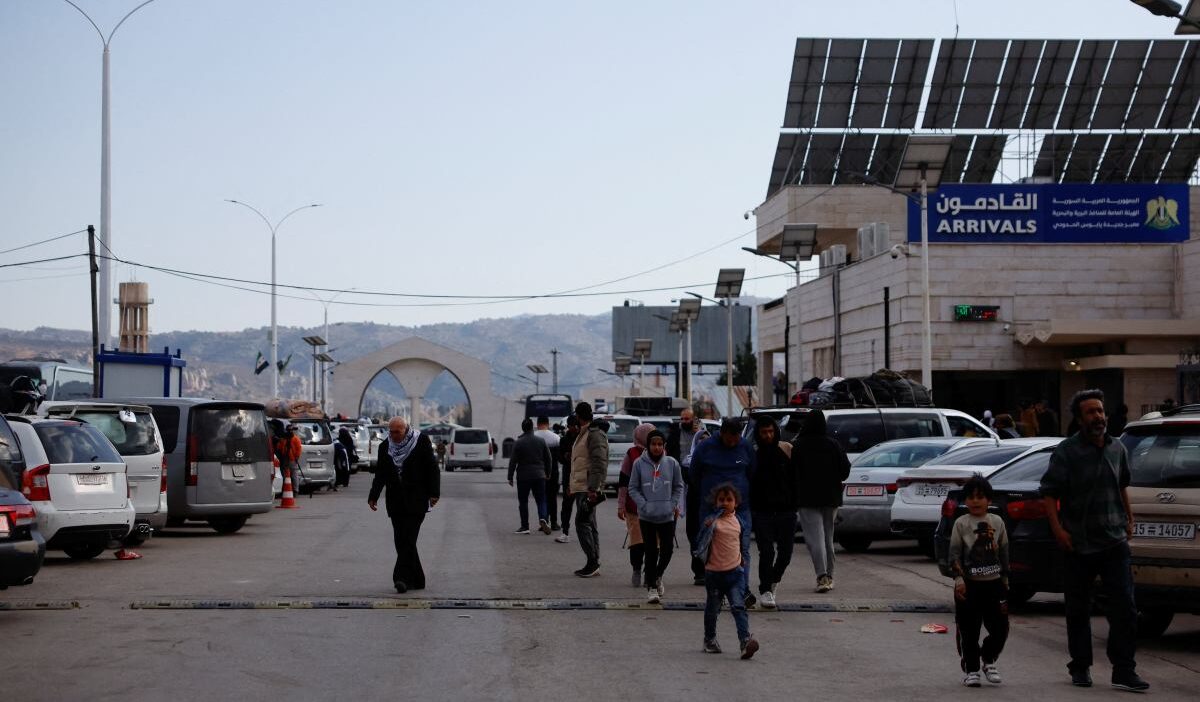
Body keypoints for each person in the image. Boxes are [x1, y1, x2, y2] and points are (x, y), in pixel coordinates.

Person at [1040, 389, 1148, 692]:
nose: (1098, 416)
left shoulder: (1118, 449)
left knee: (1125, 608)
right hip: (1078, 542)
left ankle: (1124, 670)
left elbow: (1121, 485)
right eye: (1091, 412)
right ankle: (1080, 666)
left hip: (1114, 541)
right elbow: (1049, 493)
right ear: (1079, 418)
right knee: (1078, 609)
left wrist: (1129, 518)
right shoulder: (1067, 451)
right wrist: (1059, 531)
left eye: (1100, 411)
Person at [948, 474, 1010, 688]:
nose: (976, 501)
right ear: (965, 500)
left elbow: (1003, 552)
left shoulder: (998, 522)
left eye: (980, 497)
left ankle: (989, 659)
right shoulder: (961, 524)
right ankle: (972, 669)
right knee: (969, 629)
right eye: (971, 497)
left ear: (989, 500)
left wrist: (1005, 579)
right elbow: (954, 554)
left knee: (1001, 627)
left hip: (994, 585)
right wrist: (959, 579)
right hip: (969, 586)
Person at [367, 417, 441, 593]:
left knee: (408, 538)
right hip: (395, 501)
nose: (392, 435)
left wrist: (434, 493)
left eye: (396, 432)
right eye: (390, 431)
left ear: (406, 430)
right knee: (401, 541)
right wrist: (374, 496)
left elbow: (432, 467)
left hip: (416, 500)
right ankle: (418, 578)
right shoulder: (385, 447)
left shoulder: (420, 441)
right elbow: (381, 474)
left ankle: (401, 578)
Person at [691, 417, 756, 605]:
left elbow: (752, 472)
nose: (733, 441)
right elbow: (694, 474)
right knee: (711, 548)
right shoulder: (706, 447)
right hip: (711, 508)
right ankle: (716, 592)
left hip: (740, 509)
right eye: (730, 438)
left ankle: (742, 591)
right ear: (723, 433)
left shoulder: (745, 447)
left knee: (742, 548)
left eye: (737, 437)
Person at [694, 483, 758, 659]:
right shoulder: (712, 521)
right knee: (713, 609)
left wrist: (743, 569)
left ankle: (745, 641)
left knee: (738, 607)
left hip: (735, 574)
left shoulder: (740, 523)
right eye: (721, 499)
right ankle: (709, 639)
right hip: (714, 574)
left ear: (736, 503)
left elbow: (743, 548)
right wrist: (706, 526)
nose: (725, 503)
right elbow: (699, 542)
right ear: (715, 503)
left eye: (729, 500)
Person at [793, 409, 851, 593]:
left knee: (814, 539)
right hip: (830, 498)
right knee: (827, 537)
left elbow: (792, 474)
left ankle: (822, 576)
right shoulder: (834, 445)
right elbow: (845, 471)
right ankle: (830, 575)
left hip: (807, 498)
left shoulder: (798, 445)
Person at [628, 429, 684, 604]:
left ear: (664, 446)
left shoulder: (672, 463)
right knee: (651, 552)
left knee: (667, 550)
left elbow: (678, 487)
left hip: (667, 516)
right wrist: (643, 505)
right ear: (648, 445)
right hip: (647, 517)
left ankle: (658, 576)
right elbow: (633, 488)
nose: (657, 447)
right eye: (653, 444)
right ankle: (652, 587)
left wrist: (672, 504)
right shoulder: (638, 463)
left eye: (660, 444)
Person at [749, 415, 797, 609]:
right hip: (762, 512)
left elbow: (796, 479)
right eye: (764, 432)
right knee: (766, 552)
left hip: (786, 511)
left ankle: (773, 580)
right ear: (758, 434)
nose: (768, 435)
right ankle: (765, 590)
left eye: (770, 431)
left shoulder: (786, 449)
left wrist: (795, 502)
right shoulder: (754, 454)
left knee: (785, 554)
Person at [667, 408, 711, 586]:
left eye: (687, 418)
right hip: (681, 483)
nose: (684, 421)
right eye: (682, 418)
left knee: (705, 531)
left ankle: (705, 569)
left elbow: (710, 446)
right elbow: (670, 455)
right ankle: (698, 569)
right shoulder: (675, 434)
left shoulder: (702, 433)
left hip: (703, 490)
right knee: (692, 531)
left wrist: (700, 433)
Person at [568, 402, 608, 577]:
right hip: (582, 486)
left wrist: (594, 487)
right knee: (590, 523)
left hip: (588, 487)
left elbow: (599, 462)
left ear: (578, 416)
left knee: (582, 523)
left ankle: (592, 562)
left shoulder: (594, 434)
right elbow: (579, 462)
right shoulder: (584, 433)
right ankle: (594, 562)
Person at [617, 423, 655, 587]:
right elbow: (623, 481)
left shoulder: (660, 452)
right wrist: (621, 504)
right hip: (635, 507)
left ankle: (650, 572)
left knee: (654, 543)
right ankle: (637, 569)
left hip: (656, 507)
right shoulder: (631, 453)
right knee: (637, 541)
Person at [507, 418, 554, 535]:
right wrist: (548, 473)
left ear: (523, 428)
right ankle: (543, 518)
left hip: (523, 476)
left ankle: (525, 526)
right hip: (539, 475)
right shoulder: (541, 441)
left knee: (523, 501)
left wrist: (510, 476)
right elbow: (549, 458)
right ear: (533, 427)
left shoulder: (518, 442)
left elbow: (513, 461)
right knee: (541, 499)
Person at [555, 415, 580, 544]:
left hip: (581, 476)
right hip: (568, 475)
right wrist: (565, 456)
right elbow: (559, 457)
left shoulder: (582, 438)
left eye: (576, 425)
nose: (574, 428)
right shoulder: (564, 440)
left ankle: (585, 531)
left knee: (583, 506)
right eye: (572, 426)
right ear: (568, 426)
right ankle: (565, 531)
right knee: (566, 505)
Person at [533, 416, 562, 531]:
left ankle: (544, 520)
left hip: (538, 472)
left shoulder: (534, 437)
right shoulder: (555, 438)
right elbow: (559, 456)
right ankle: (554, 522)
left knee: (541, 498)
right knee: (552, 497)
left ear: (538, 424)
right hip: (553, 472)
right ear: (548, 424)